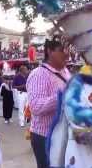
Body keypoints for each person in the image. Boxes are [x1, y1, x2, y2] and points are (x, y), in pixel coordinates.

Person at [26, 36, 70, 168]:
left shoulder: (65, 71)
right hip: (45, 136)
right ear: (50, 51)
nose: (67, 53)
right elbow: (36, 107)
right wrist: (63, 96)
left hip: (64, 134)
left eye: (67, 49)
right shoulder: (39, 74)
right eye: (62, 49)